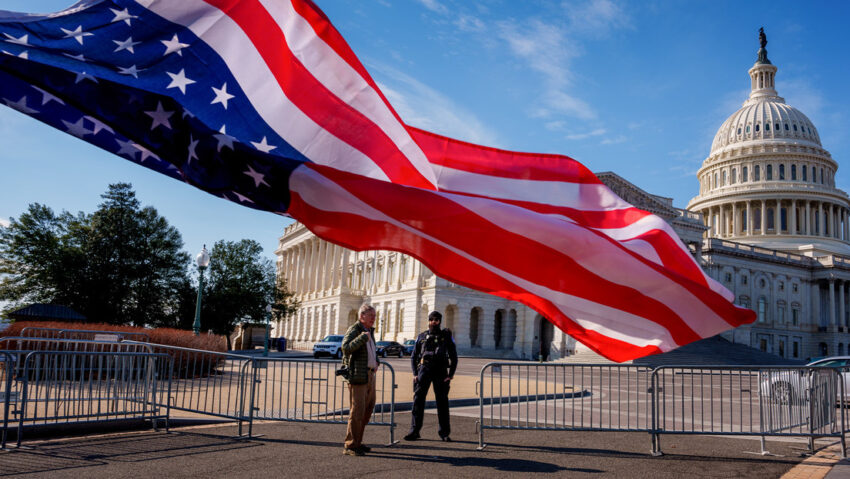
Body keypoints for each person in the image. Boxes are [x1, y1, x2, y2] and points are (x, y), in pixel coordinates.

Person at [404, 311, 458, 442]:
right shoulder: (422, 336)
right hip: (424, 371)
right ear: (428, 321)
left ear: (440, 321)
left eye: (437, 320)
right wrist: (415, 373)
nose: (434, 322)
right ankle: (414, 431)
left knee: (442, 402)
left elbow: (453, 356)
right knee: (418, 401)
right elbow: (414, 356)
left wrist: (450, 375)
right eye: (432, 319)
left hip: (440, 372)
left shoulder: (445, 336)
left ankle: (444, 433)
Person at [341, 303, 378, 456]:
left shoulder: (369, 331)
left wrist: (377, 362)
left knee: (367, 409)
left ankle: (358, 441)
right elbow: (346, 348)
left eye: (375, 316)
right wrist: (362, 338)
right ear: (361, 316)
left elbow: (371, 351)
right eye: (371, 316)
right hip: (358, 376)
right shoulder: (355, 330)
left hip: (370, 374)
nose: (374, 319)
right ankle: (350, 445)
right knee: (357, 411)